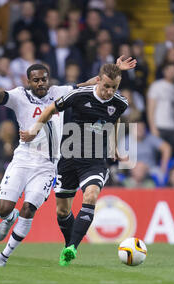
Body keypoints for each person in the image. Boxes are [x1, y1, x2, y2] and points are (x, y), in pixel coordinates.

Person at [0, 55, 136, 268]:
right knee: (4, 209)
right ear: (29, 81)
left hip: (50, 163)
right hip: (24, 158)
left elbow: (94, 83)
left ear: (49, 79)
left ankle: (4, 257)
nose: (41, 83)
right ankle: (9, 218)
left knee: (30, 209)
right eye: (36, 80)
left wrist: (117, 69)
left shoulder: (60, 92)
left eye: (44, 79)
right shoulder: (19, 96)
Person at [20, 63, 134, 267]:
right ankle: (68, 244)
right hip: (69, 157)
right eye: (107, 86)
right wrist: (34, 130)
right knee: (62, 211)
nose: (110, 92)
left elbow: (115, 118)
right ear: (98, 80)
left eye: (114, 88)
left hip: (95, 160)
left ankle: (72, 247)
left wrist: (114, 145)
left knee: (90, 195)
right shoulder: (80, 95)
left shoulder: (120, 103)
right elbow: (49, 110)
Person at [147, 63, 174, 152]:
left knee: (171, 155)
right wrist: (153, 127)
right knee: (158, 155)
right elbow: (150, 108)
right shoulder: (156, 85)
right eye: (170, 70)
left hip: (173, 127)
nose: (172, 73)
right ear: (164, 71)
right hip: (159, 125)